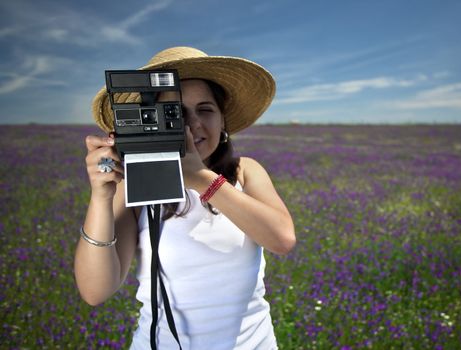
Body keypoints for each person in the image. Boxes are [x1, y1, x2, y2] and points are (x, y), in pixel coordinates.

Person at [74, 46, 296, 349]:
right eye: (174, 112)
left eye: (205, 109)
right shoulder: (135, 187)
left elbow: (282, 239)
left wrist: (200, 178)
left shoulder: (245, 171)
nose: (192, 124)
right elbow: (95, 290)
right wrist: (101, 195)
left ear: (223, 123)